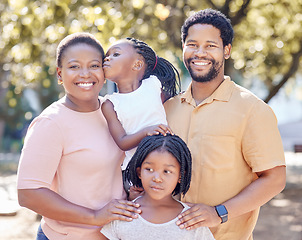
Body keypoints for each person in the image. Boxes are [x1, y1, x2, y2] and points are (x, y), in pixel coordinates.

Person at [164, 9, 286, 240]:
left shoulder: (252, 109)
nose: (200, 53)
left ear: (226, 50)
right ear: (183, 49)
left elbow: (275, 178)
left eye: (210, 45)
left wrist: (219, 213)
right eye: (192, 44)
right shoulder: (167, 109)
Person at [17, 32, 141, 240]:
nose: (85, 74)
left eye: (94, 65)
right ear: (59, 74)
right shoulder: (51, 123)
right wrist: (94, 216)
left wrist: (131, 191)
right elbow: (29, 194)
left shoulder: (114, 110)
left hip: (115, 234)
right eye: (74, 66)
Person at [101, 37, 180, 192]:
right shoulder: (110, 104)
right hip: (137, 170)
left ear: (137, 64)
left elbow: (171, 104)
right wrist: (146, 132)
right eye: (106, 56)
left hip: (167, 159)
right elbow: (122, 142)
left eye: (116, 54)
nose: (107, 58)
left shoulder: (153, 84)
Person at [100, 134, 215, 240]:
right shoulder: (123, 214)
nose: (157, 178)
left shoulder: (192, 220)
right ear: (139, 173)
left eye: (167, 171)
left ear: (180, 176)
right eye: (149, 169)